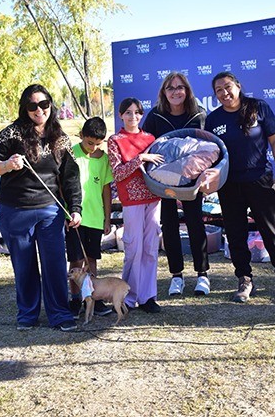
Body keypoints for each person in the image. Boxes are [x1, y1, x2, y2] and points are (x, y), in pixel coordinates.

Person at [0, 84, 82, 332]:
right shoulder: (10, 135)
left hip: (50, 211)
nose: (39, 110)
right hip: (15, 210)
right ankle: (27, 314)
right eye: (32, 106)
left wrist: (75, 208)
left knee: (54, 264)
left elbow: (71, 178)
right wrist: (7, 165)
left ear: (51, 105)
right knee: (24, 266)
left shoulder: (61, 138)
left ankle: (60, 313)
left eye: (43, 104)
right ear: (25, 108)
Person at [204, 72, 275, 302]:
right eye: (219, 90)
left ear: (238, 86)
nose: (224, 93)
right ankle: (245, 280)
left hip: (260, 182)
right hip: (229, 185)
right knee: (235, 235)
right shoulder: (213, 120)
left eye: (228, 86)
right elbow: (211, 154)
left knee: (273, 233)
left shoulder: (259, 107)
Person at [141, 72, 211, 297]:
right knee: (169, 225)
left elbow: (210, 147)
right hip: (165, 181)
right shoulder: (155, 116)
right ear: (164, 92)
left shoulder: (199, 114)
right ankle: (176, 276)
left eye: (180, 87)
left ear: (187, 91)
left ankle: (202, 275)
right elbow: (146, 147)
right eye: (170, 88)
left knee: (195, 223)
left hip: (191, 178)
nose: (175, 92)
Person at [108, 98, 164, 312]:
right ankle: (128, 297)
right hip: (131, 201)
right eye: (128, 112)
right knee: (134, 249)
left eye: (137, 113)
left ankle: (148, 296)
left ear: (142, 115)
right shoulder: (115, 140)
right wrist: (140, 158)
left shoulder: (151, 138)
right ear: (121, 115)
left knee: (150, 249)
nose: (133, 117)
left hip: (153, 198)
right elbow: (118, 173)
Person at [66, 117, 114, 317]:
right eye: (89, 143)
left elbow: (106, 190)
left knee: (91, 260)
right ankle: (75, 299)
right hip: (75, 218)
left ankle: (92, 298)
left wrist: (107, 218)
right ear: (81, 137)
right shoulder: (71, 154)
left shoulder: (104, 159)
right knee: (76, 262)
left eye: (98, 144)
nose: (93, 147)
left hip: (95, 218)